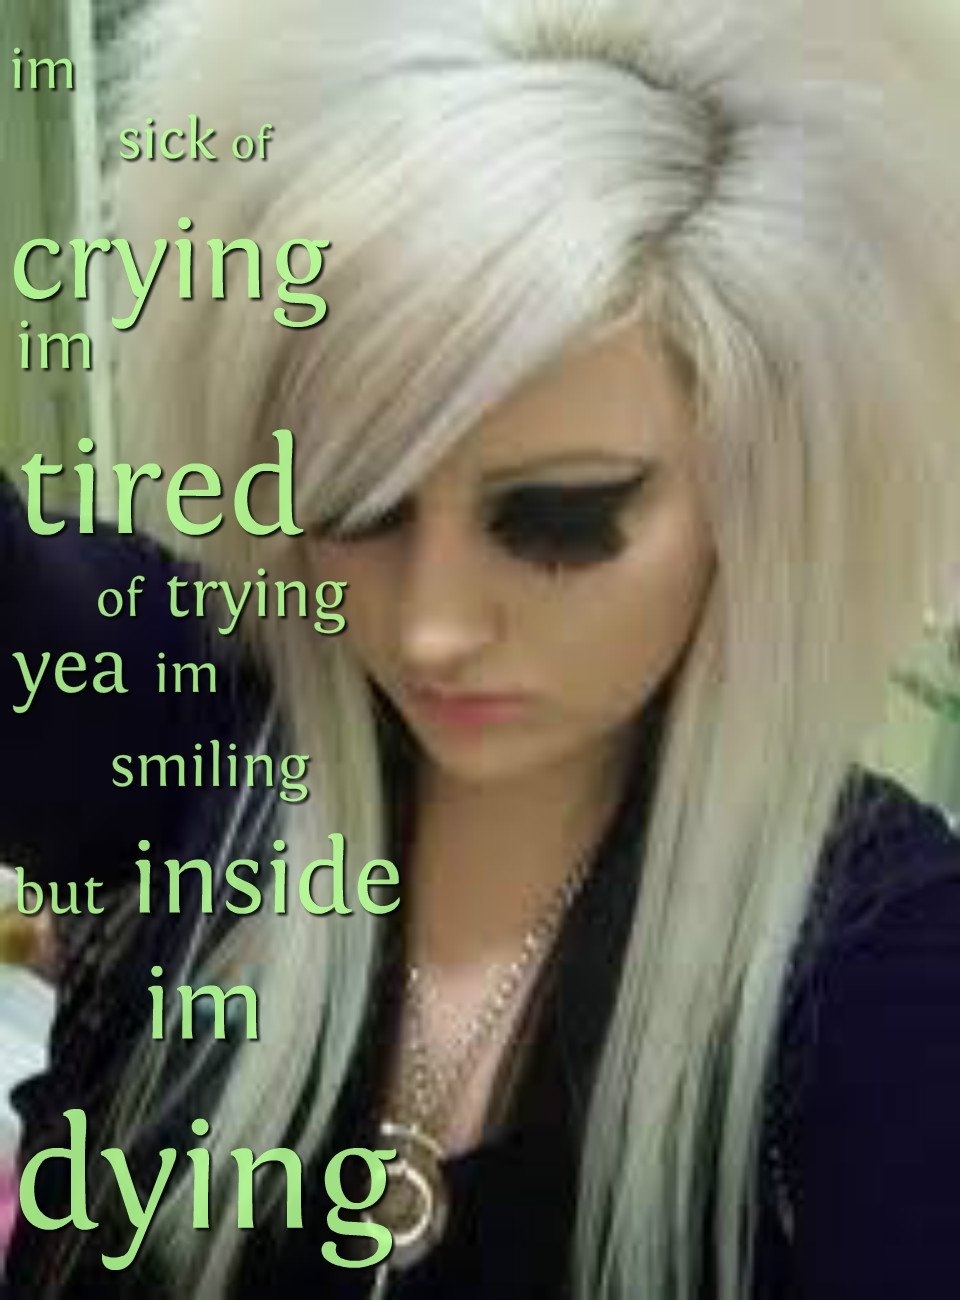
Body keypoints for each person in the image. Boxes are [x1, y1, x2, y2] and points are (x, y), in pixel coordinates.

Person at [3, 0, 960, 1297]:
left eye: (559, 522)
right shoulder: (200, 726)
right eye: (358, 507)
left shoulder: (885, 970)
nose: (432, 628)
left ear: (751, 490)